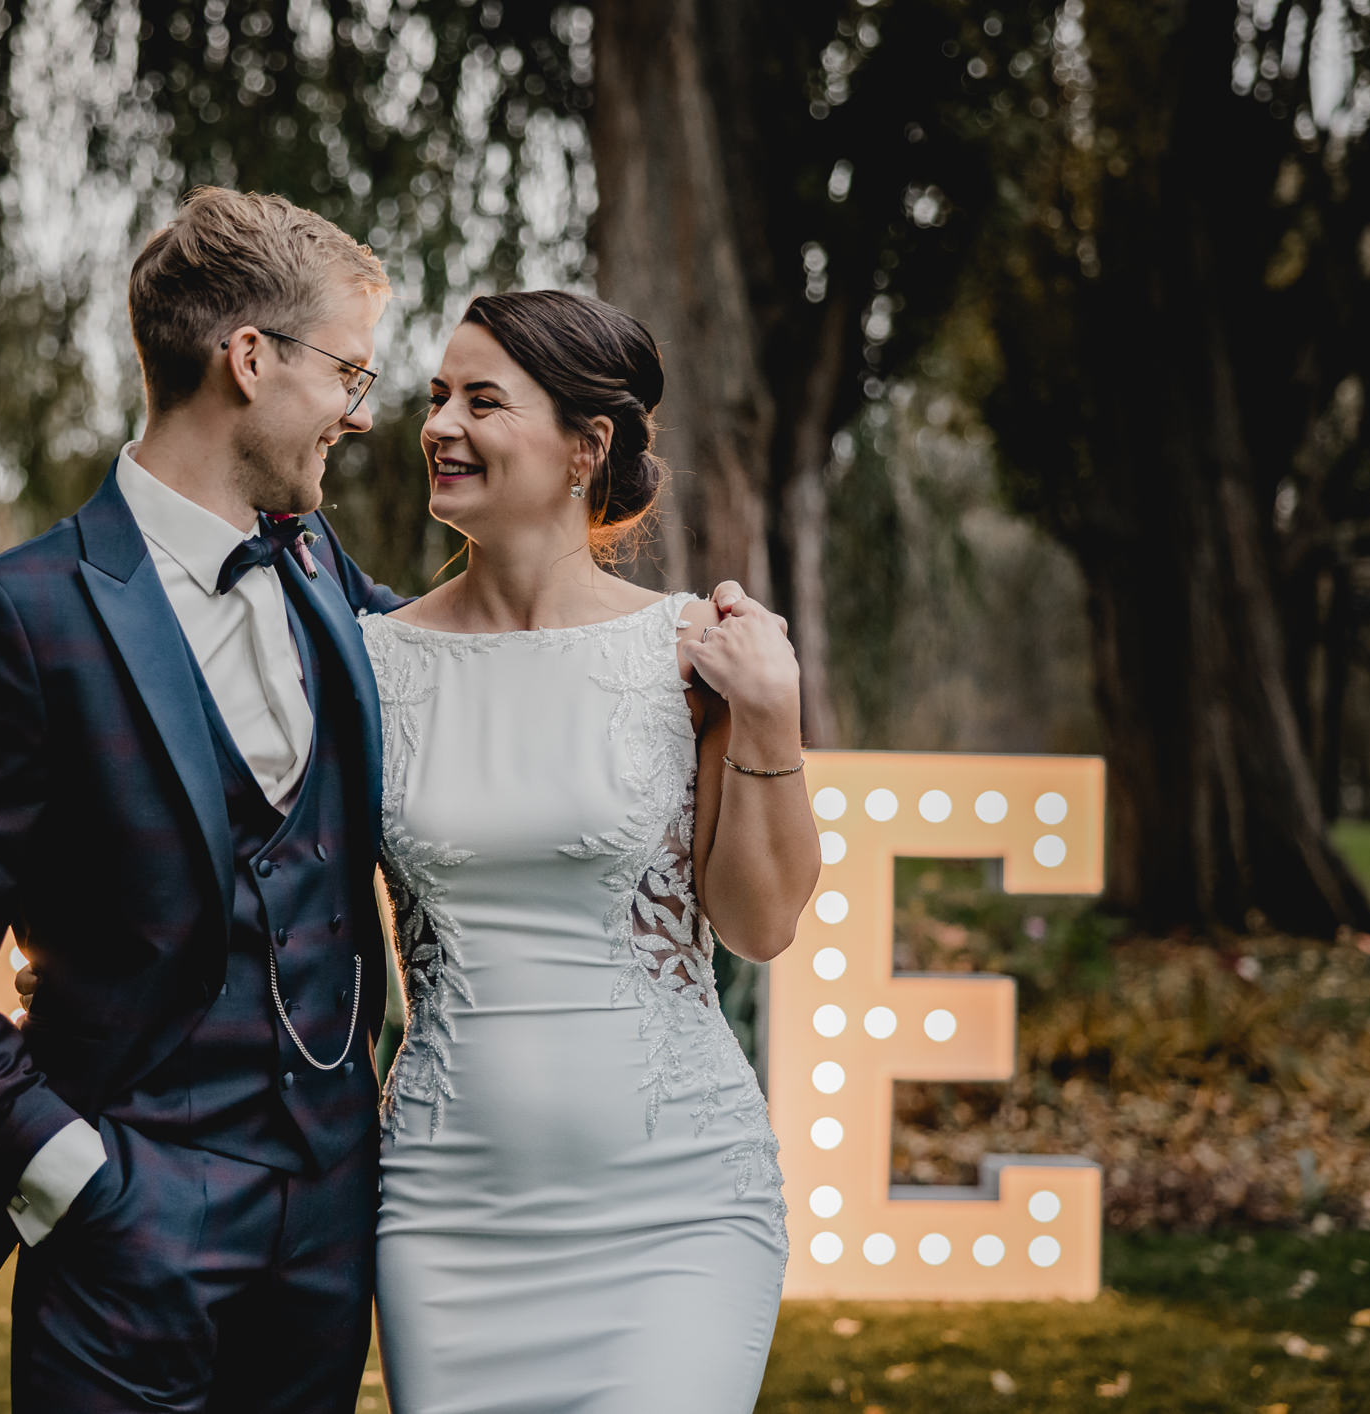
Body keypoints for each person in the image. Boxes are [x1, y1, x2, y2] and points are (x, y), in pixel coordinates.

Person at [0, 186, 407, 1412]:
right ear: (249, 360)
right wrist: (72, 1181)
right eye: (346, 374)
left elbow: (477, 661)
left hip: (327, 1224)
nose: (360, 418)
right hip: (129, 1223)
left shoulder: (320, 569)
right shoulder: (25, 617)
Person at [363, 290, 819, 1411]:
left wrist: (768, 717)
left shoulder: (691, 651)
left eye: (481, 399)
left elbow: (758, 925)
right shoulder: (368, 661)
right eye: (433, 399)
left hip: (675, 1205)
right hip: (445, 1209)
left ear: (585, 445)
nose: (439, 426)